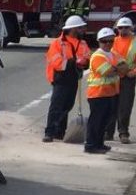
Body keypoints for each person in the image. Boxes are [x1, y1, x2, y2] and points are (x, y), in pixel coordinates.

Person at [44, 15, 91, 142]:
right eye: (81, 28)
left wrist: (84, 63)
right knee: (57, 106)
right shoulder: (57, 43)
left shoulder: (82, 43)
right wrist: (74, 62)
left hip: (73, 78)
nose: (83, 30)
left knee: (67, 105)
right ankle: (49, 132)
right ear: (73, 29)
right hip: (60, 78)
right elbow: (56, 62)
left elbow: (87, 57)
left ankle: (60, 132)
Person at [86, 27, 128, 155]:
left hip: (111, 93)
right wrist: (118, 68)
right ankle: (91, 145)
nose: (108, 43)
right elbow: (107, 72)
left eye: (110, 41)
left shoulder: (113, 54)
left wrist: (117, 68)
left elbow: (125, 68)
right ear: (99, 41)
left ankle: (99, 143)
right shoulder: (97, 56)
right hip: (98, 94)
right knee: (96, 121)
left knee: (104, 121)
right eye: (105, 41)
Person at [108, 17, 136, 143]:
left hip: (128, 78)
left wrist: (133, 72)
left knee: (125, 107)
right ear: (117, 29)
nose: (123, 30)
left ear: (132, 28)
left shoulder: (135, 42)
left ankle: (123, 133)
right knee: (110, 106)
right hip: (113, 77)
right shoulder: (112, 41)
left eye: (126, 27)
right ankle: (108, 133)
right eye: (120, 28)